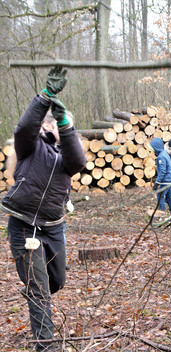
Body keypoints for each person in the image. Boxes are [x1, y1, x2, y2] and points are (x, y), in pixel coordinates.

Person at [0, 66, 86, 351]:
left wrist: (66, 123)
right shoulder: (29, 146)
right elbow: (24, 127)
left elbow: (78, 162)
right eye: (59, 124)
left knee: (57, 281)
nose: (64, 129)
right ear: (47, 125)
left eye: (67, 126)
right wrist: (45, 96)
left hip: (54, 227)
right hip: (25, 226)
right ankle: (47, 346)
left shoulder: (67, 158)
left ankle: (36, 294)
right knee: (39, 293)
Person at [150, 137, 171, 220]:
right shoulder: (164, 153)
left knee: (160, 196)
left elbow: (162, 171)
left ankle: (161, 216)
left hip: (166, 180)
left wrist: (157, 183)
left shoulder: (161, 157)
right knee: (169, 196)